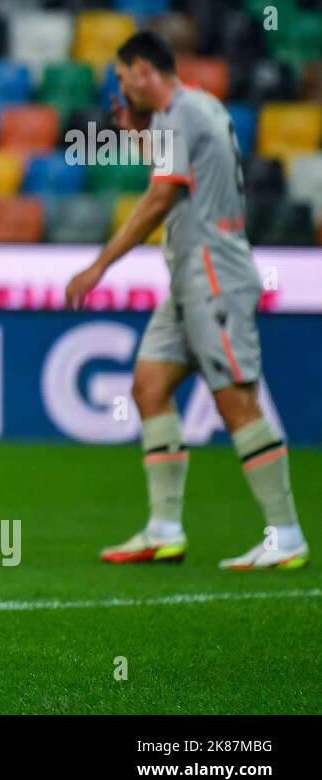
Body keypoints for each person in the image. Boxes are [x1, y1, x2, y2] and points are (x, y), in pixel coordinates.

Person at [66, 31, 308, 570]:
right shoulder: (196, 109)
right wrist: (136, 133)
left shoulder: (182, 112)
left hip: (214, 273)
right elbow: (179, 172)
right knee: (149, 385)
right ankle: (163, 528)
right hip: (189, 278)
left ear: (144, 69)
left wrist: (100, 264)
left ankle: (286, 534)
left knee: (235, 400)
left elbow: (161, 195)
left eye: (123, 75)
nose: (121, 86)